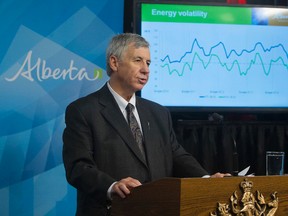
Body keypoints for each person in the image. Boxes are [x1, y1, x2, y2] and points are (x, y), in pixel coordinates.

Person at [62, 33, 231, 216]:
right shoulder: (84, 111)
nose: (146, 70)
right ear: (114, 63)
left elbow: (177, 156)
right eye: (138, 60)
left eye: (148, 63)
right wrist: (112, 186)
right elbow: (78, 167)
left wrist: (206, 179)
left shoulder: (158, 113)